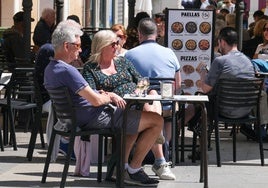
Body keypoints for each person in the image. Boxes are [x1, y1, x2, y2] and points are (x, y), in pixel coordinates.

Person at [44, 19, 163, 187]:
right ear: (66, 46)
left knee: (138, 118)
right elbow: (95, 99)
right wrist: (111, 96)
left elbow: (139, 81)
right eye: (77, 46)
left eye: (118, 42)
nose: (80, 50)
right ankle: (134, 169)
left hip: (92, 114)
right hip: (97, 116)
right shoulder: (76, 70)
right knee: (157, 121)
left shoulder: (51, 68)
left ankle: (123, 168)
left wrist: (136, 91)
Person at [82, 29, 175, 180]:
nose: (117, 46)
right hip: (114, 109)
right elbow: (92, 93)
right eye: (113, 44)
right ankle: (153, 159)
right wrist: (111, 96)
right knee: (143, 117)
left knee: (151, 101)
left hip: (136, 101)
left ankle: (128, 166)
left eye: (118, 43)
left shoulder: (123, 61)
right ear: (101, 46)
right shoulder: (90, 68)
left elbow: (143, 80)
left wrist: (143, 91)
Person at [183, 27, 268, 142]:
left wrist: (202, 72)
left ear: (222, 42)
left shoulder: (220, 61)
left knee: (200, 101)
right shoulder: (248, 61)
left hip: (223, 111)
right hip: (246, 111)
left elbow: (205, 89)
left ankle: (193, 136)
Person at [125, 18, 181, 159]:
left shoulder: (130, 54)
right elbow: (178, 85)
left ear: (139, 34)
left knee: (142, 106)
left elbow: (128, 85)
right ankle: (165, 146)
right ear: (157, 34)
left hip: (142, 106)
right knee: (167, 112)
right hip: (168, 104)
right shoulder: (170, 53)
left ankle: (153, 148)